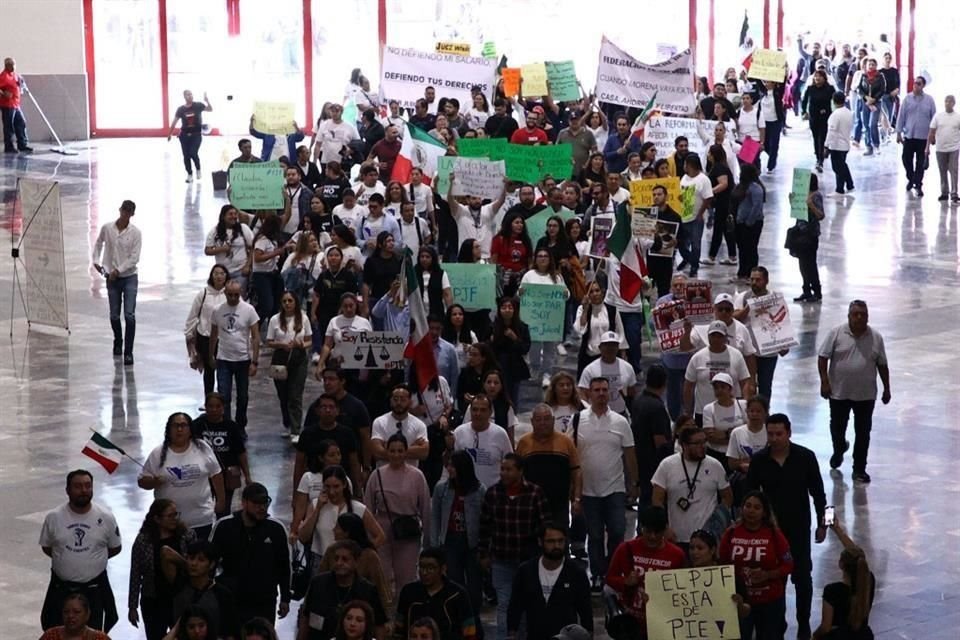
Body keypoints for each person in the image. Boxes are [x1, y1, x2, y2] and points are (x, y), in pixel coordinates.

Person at [747, 413, 828, 639]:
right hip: (772, 531)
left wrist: (825, 523)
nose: (774, 438)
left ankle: (803, 623)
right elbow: (750, 493)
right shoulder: (760, 460)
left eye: (779, 434)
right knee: (775, 579)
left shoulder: (805, 457)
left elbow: (819, 493)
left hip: (800, 528)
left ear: (789, 433)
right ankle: (777, 624)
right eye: (770, 434)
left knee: (803, 577)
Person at [573, 377, 639, 589]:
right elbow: (572, 456)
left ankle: (613, 570)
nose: (601, 393)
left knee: (618, 530)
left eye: (604, 390)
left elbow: (630, 455)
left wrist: (634, 483)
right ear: (589, 393)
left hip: (615, 488)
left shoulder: (621, 422)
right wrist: (573, 489)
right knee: (594, 536)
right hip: (588, 490)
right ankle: (598, 574)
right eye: (596, 390)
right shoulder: (577, 420)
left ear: (609, 393)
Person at [818, 300, 891, 483]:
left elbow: (882, 364)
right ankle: (839, 447)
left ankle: (859, 468)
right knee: (837, 427)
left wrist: (887, 388)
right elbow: (823, 357)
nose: (859, 318)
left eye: (863, 314)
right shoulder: (836, 333)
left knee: (863, 432)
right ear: (849, 316)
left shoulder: (876, 337)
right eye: (856, 314)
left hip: (865, 395)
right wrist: (824, 382)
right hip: (839, 392)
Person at [478, 454, 550, 640]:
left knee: (525, 605)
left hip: (527, 561)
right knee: (504, 604)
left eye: (509, 469)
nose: (504, 473)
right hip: (501, 559)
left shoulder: (535, 493)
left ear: (520, 471)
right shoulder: (493, 493)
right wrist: (484, 553)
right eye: (502, 469)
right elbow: (485, 526)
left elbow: (545, 526)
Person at [40, 470, 122, 632]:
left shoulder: (105, 517)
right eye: (78, 486)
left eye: (87, 486)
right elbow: (48, 547)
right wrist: (69, 560)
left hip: (94, 589)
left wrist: (90, 562)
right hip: (61, 588)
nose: (84, 490)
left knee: (93, 633)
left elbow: (115, 548)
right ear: (67, 490)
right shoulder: (54, 517)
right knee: (57, 631)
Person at [719, 491, 795, 640]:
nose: (751, 510)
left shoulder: (774, 534)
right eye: (747, 506)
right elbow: (722, 564)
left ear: (764, 512)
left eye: (756, 507)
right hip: (740, 601)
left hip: (770, 601)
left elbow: (789, 565)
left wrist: (768, 574)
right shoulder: (731, 533)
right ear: (741, 509)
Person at [211, 483, 291, 625]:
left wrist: (285, 598)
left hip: (264, 600)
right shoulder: (224, 526)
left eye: (265, 502)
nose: (262, 507)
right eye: (256, 503)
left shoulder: (276, 528)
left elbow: (284, 566)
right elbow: (210, 560)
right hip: (232, 598)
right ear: (244, 503)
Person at [139, 413, 225, 539]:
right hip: (169, 523)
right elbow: (142, 481)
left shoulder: (202, 448)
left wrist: (221, 500)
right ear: (169, 429)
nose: (179, 429)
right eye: (175, 426)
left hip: (201, 519)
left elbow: (216, 473)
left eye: (183, 425)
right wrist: (153, 482)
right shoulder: (158, 453)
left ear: (190, 429)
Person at [366, 433, 432, 593]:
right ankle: (385, 612)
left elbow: (425, 508)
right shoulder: (377, 475)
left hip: (408, 531)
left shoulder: (417, 476)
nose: (396, 455)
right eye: (392, 451)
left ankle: (403, 612)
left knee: (406, 576)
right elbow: (367, 507)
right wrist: (369, 537)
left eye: (400, 451)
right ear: (387, 452)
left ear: (406, 452)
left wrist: (428, 541)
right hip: (381, 530)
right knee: (383, 575)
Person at [605, 506, 686, 633]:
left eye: (657, 532)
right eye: (648, 531)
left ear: (665, 530)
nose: (652, 537)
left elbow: (683, 588)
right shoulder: (625, 548)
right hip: (631, 623)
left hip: (662, 622)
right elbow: (609, 579)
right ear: (641, 527)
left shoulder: (677, 555)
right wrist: (625, 581)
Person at [651, 425, 733, 550]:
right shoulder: (667, 465)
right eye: (697, 443)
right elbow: (657, 500)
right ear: (684, 445)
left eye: (704, 442)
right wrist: (664, 528)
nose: (703, 446)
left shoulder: (715, 465)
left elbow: (727, 497)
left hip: (707, 538)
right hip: (677, 536)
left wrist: (718, 522)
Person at [507, 524, 593, 640]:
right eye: (550, 541)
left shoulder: (576, 573)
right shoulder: (526, 571)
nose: (556, 546)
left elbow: (585, 610)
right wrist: (512, 633)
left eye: (560, 541)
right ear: (540, 542)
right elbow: (515, 606)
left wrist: (589, 634)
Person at [128, 499, 195, 640]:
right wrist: (132, 607)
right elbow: (135, 573)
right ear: (157, 519)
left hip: (180, 597)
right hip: (153, 599)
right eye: (170, 516)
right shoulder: (143, 540)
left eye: (176, 514)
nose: (175, 519)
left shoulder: (186, 535)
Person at [431, 450, 486, 616]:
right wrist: (435, 545)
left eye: (453, 465)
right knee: (454, 581)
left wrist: (484, 547)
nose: (449, 469)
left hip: (472, 543)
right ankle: (456, 615)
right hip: (450, 542)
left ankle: (473, 617)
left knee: (475, 584)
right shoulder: (441, 489)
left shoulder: (479, 490)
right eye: (448, 465)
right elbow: (435, 518)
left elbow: (485, 520)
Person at [298, 465, 384, 572]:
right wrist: (318, 509)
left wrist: (361, 555)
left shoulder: (358, 508)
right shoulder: (316, 505)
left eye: (336, 486)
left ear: (344, 485)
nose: (331, 491)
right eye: (327, 486)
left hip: (349, 564)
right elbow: (302, 537)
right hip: (321, 562)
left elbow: (380, 536)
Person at [298, 543, 387, 640]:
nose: (339, 563)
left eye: (345, 559)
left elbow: (379, 624)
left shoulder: (368, 590)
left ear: (356, 562)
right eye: (336, 559)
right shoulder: (318, 583)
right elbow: (306, 616)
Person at [91, 199, 141, 365]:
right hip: (111, 279)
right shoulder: (107, 228)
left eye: (128, 212)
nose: (125, 214)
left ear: (132, 214)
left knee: (129, 315)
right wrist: (97, 262)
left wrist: (118, 270)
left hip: (129, 277)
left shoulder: (135, 233)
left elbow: (134, 258)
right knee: (114, 315)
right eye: (123, 210)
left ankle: (129, 351)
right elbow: (98, 244)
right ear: (119, 210)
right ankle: (118, 340)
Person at [515, 403, 581, 526]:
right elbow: (517, 473)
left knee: (559, 542)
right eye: (538, 419)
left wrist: (576, 499)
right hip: (530, 506)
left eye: (546, 419)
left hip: (559, 505)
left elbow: (576, 471)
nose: (543, 423)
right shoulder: (523, 443)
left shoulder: (566, 442)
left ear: (553, 420)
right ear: (532, 421)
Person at [315, 512, 393, 615]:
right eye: (337, 559)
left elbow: (380, 588)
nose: (334, 530)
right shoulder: (331, 551)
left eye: (337, 527)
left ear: (347, 532)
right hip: (331, 607)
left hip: (361, 611)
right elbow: (318, 582)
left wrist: (385, 617)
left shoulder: (370, 555)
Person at [393, 547, 478, 640]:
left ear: (443, 569)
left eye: (430, 568)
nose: (424, 572)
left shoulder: (457, 594)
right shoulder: (409, 592)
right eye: (421, 567)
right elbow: (398, 629)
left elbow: (470, 633)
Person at [811, 520, 876, 640]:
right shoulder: (868, 582)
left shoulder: (833, 591)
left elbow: (825, 627)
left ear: (841, 564)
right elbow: (857, 554)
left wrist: (814, 636)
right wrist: (837, 530)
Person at [162, 540, 240, 640]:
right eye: (191, 558)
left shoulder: (222, 594)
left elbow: (230, 632)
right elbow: (165, 552)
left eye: (201, 560)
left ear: (211, 564)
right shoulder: (180, 585)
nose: (194, 563)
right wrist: (186, 565)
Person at [209, 280, 260, 429]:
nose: (233, 298)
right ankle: (226, 426)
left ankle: (240, 426)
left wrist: (255, 361)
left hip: (243, 359)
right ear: (225, 294)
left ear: (240, 294)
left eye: (236, 295)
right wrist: (211, 355)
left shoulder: (249, 310)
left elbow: (256, 336)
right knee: (224, 395)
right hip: (224, 358)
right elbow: (213, 335)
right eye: (230, 295)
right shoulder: (217, 310)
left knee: (242, 396)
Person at [733, 266, 789, 399]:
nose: (754, 283)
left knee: (765, 386)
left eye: (758, 280)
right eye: (752, 279)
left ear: (766, 281)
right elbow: (734, 317)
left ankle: (764, 414)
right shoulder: (743, 297)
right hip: (748, 351)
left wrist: (784, 345)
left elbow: (782, 321)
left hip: (768, 352)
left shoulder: (775, 299)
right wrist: (749, 307)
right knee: (747, 385)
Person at [682, 320, 752, 420]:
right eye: (713, 335)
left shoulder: (737, 355)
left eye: (719, 336)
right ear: (708, 336)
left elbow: (745, 382)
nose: (716, 339)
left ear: (726, 338)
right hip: (703, 412)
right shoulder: (697, 357)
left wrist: (745, 406)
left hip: (731, 412)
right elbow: (688, 385)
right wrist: (688, 411)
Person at [266, 291, 312, 442]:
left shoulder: (303, 318)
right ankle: (288, 423)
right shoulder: (275, 320)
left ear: (295, 302)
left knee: (295, 395)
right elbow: (269, 341)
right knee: (283, 394)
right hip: (280, 358)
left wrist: (301, 344)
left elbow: (309, 340)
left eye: (290, 301)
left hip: (298, 359)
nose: (287, 304)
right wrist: (281, 344)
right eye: (284, 301)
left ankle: (296, 429)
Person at [520, 249, 570, 387]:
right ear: (536, 259)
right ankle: (535, 367)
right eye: (540, 256)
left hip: (551, 320)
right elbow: (520, 294)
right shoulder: (529, 275)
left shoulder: (557, 277)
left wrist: (566, 293)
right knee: (534, 346)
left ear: (550, 259)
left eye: (545, 256)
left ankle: (547, 374)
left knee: (550, 348)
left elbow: (565, 294)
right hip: (534, 318)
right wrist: (521, 292)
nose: (542, 259)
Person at [192, 392, 250, 509]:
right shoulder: (197, 425)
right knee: (203, 506)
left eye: (218, 406)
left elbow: (241, 452)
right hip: (204, 474)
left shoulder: (231, 427)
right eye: (210, 406)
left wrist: (247, 476)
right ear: (205, 407)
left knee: (224, 508)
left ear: (223, 408)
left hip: (226, 474)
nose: (214, 410)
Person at [629, 365, 673, 507]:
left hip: (640, 457)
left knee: (645, 498)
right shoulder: (656, 407)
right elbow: (659, 440)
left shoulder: (638, 399)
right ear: (665, 383)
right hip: (654, 462)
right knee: (652, 501)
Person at [184, 265, 230, 399]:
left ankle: (222, 401)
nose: (219, 276)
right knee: (209, 371)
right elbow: (193, 315)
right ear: (211, 276)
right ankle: (208, 400)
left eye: (222, 273)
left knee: (223, 371)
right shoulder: (203, 294)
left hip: (224, 339)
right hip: (206, 337)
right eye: (216, 273)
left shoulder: (230, 294)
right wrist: (188, 335)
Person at [574, 281, 627, 376]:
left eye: (597, 290)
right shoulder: (581, 309)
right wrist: (585, 309)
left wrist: (622, 357)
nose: (594, 294)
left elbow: (620, 333)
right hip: (589, 355)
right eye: (591, 292)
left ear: (602, 292)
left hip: (609, 356)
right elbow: (580, 330)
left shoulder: (612, 310)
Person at [577, 332, 636, 416]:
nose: (610, 348)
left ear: (618, 347)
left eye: (613, 345)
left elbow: (632, 393)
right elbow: (583, 394)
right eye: (607, 345)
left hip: (620, 413)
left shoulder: (628, 367)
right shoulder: (590, 369)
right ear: (600, 347)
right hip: (597, 415)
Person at [897, 74, 937, 197]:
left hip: (923, 137)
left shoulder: (929, 100)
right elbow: (901, 116)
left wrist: (933, 136)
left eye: (918, 83)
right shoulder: (907, 99)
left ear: (923, 86)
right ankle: (911, 178)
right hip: (909, 136)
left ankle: (918, 184)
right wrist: (898, 133)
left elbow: (934, 119)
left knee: (920, 163)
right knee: (906, 159)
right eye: (915, 83)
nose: (915, 85)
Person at [370, 385, 430, 465]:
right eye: (395, 399)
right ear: (390, 401)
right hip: (384, 474)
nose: (398, 403)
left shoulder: (419, 425)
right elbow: (377, 453)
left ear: (410, 402)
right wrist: (412, 447)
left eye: (403, 400)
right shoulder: (379, 422)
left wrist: (388, 448)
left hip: (410, 475)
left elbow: (424, 453)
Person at [489, 297, 531, 407]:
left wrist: (515, 338)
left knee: (513, 399)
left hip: (514, 368)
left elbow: (525, 349)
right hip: (497, 367)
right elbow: (487, 349)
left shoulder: (522, 327)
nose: (507, 310)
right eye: (504, 307)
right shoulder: (492, 327)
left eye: (510, 307)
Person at [790, 174, 826, 302]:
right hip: (800, 232)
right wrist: (793, 202)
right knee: (802, 264)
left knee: (810, 264)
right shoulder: (802, 195)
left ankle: (816, 291)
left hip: (810, 234)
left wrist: (811, 205)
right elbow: (798, 213)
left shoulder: (816, 196)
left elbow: (821, 215)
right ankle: (806, 290)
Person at [315, 292, 373, 372]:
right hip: (338, 363)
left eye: (351, 306)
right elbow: (327, 345)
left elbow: (371, 345)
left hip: (358, 364)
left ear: (356, 305)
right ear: (341, 307)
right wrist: (320, 364)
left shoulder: (365, 323)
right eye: (345, 306)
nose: (348, 309)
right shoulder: (334, 321)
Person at [205, 205, 253, 295]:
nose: (234, 216)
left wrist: (247, 266)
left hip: (240, 272)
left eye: (235, 214)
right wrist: (221, 249)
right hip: (222, 274)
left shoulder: (243, 228)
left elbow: (253, 248)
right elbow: (207, 250)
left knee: (238, 298)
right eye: (230, 214)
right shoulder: (215, 231)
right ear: (223, 216)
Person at [678, 155, 713, 278]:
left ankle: (694, 266)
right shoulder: (684, 178)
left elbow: (708, 198)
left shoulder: (703, 179)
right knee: (681, 243)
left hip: (696, 217)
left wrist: (700, 214)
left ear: (690, 165)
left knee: (695, 243)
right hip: (683, 215)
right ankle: (689, 259)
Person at [167, 89, 211, 182]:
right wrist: (170, 133)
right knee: (186, 156)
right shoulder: (181, 109)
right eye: (187, 95)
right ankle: (189, 174)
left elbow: (210, 109)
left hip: (196, 135)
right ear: (184, 97)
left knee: (193, 152)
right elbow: (174, 121)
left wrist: (207, 101)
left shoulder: (198, 105)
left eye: (191, 94)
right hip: (184, 136)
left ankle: (198, 169)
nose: (190, 96)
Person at [733, 163, 765, 281]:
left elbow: (757, 206)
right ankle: (742, 273)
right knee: (742, 248)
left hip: (753, 224)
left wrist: (749, 222)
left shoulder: (756, 188)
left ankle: (751, 275)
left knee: (751, 249)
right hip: (741, 222)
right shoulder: (742, 187)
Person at [40, 593, 112, 640]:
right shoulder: (50, 636)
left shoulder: (100, 638)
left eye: (77, 612)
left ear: (87, 614)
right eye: (66, 612)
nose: (70, 616)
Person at [929, 94, 960, 202]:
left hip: (954, 148)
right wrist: (928, 146)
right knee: (942, 171)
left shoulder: (957, 117)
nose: (948, 103)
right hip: (940, 148)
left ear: (954, 103)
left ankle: (954, 193)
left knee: (954, 171)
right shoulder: (938, 116)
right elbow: (932, 130)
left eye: (950, 101)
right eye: (946, 101)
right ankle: (944, 192)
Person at [802, 70, 834, 172]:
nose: (817, 78)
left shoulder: (830, 89)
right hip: (814, 117)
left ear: (824, 78)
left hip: (825, 117)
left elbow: (835, 100)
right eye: (815, 76)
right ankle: (818, 157)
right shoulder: (810, 89)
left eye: (819, 76)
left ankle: (821, 159)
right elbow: (804, 101)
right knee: (816, 138)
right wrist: (803, 112)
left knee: (822, 137)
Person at [825, 92, 855, 195]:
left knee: (837, 168)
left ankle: (841, 188)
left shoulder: (835, 115)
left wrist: (826, 145)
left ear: (833, 101)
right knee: (842, 165)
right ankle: (847, 185)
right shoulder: (848, 112)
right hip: (845, 144)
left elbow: (831, 131)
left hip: (836, 145)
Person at [0, 57, 31, 152]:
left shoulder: (15, 75)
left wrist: (21, 83)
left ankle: (22, 144)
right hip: (7, 105)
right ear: (7, 66)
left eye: (14, 65)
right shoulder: (3, 76)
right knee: (9, 126)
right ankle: (9, 147)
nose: (14, 67)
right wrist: (3, 93)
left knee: (21, 122)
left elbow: (19, 84)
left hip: (16, 104)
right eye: (11, 65)